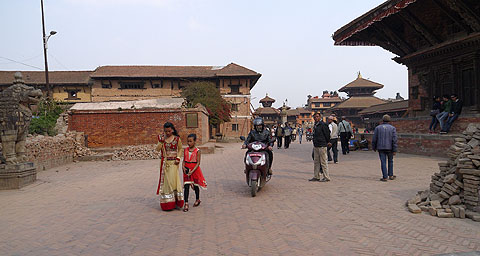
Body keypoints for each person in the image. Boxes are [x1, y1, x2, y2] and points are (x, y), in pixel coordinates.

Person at [156, 122, 184, 211]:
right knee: (167, 183)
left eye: (169, 131)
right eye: (166, 131)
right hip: (166, 163)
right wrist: (160, 142)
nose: (167, 133)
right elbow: (157, 149)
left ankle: (176, 202)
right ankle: (168, 204)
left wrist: (178, 158)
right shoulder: (162, 139)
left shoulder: (177, 139)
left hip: (174, 164)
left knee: (174, 182)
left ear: (172, 130)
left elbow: (180, 149)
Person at [182, 134, 207, 212]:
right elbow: (184, 160)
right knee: (186, 186)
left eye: (190, 141)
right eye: (188, 141)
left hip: (195, 170)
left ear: (195, 142)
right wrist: (182, 167)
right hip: (186, 169)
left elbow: (198, 163)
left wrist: (192, 171)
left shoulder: (198, 151)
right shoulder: (185, 150)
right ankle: (186, 203)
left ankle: (197, 199)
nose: (189, 143)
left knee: (196, 186)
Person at [372, 115, 398, 182]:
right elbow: (394, 140)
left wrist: (374, 147)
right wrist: (395, 149)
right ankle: (391, 175)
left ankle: (385, 177)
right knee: (390, 161)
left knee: (383, 162)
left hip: (380, 147)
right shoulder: (392, 128)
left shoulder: (378, 128)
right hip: (390, 147)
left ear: (382, 120)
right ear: (389, 121)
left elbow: (374, 139)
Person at [309, 112, 331, 182]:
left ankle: (326, 177)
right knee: (316, 162)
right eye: (315, 117)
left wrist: (328, 142)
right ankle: (316, 176)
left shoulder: (323, 125)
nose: (316, 118)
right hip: (316, 145)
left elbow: (327, 134)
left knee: (323, 162)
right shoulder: (315, 125)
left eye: (317, 117)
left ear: (320, 117)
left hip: (322, 145)